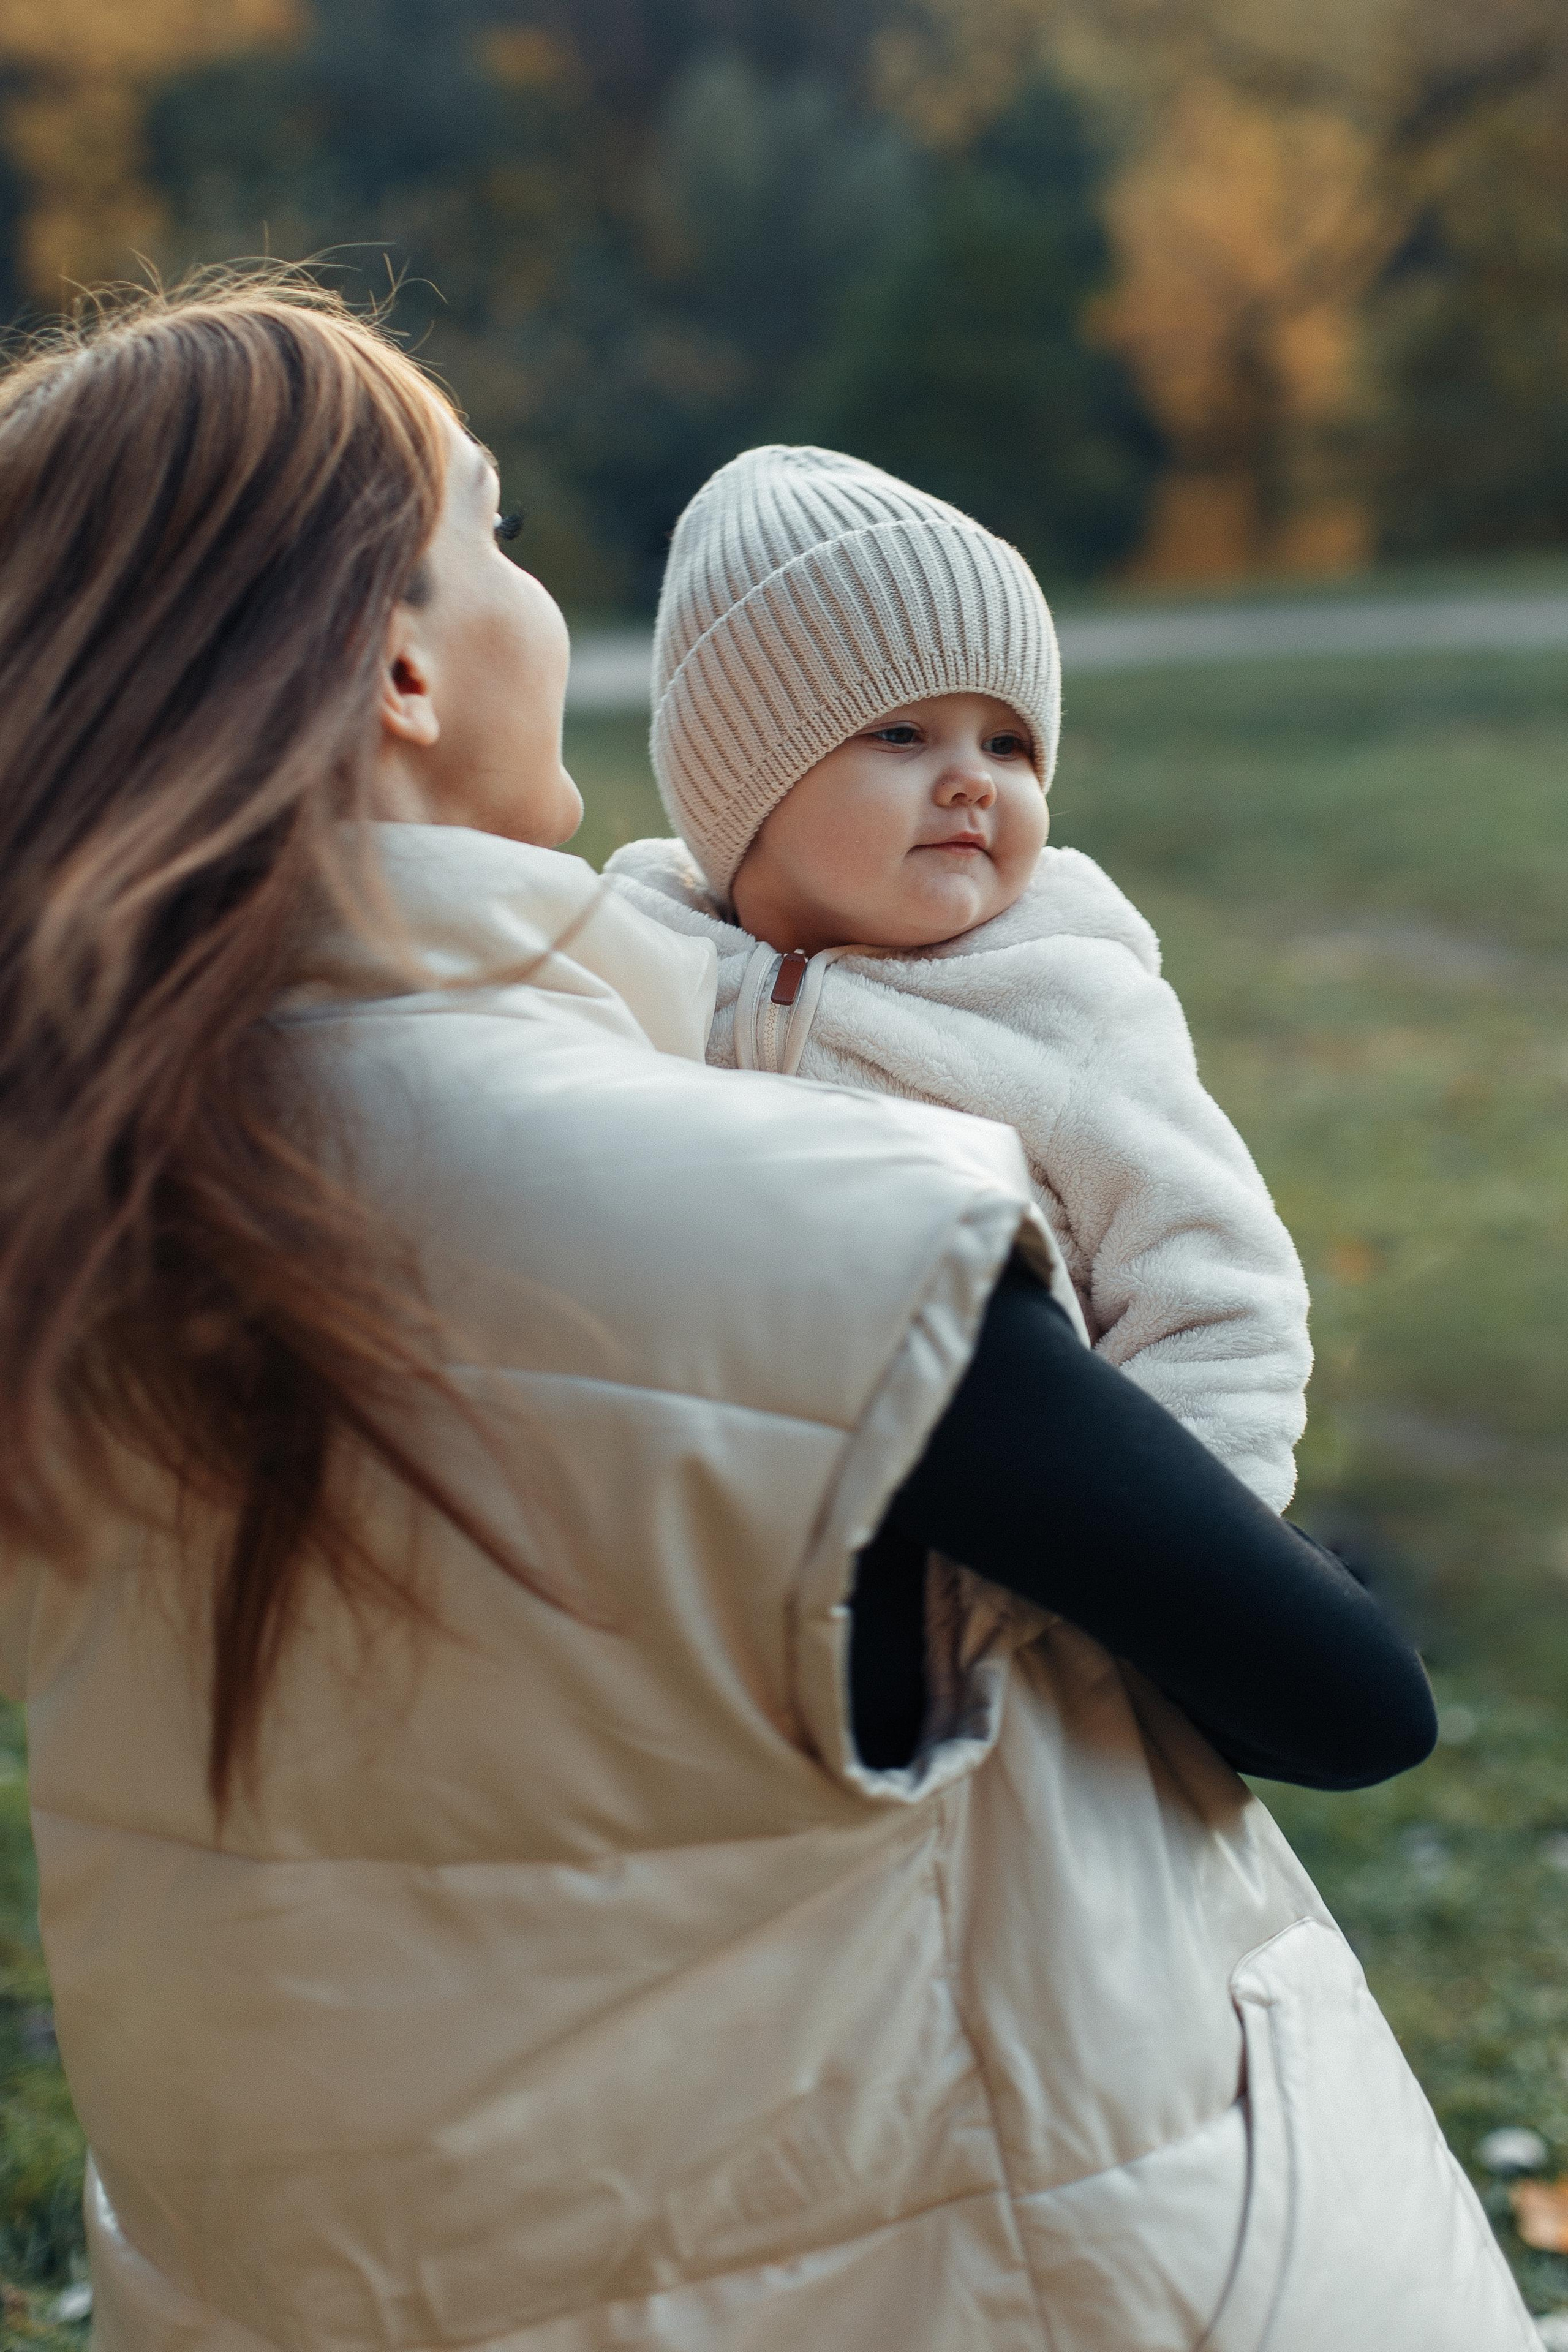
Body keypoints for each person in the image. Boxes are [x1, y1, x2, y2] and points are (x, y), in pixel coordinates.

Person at [0, 274, 1534, 2351]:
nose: (543, 603)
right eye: (501, 533)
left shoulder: (80, 1238)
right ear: (400, 674)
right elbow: (1347, 1709)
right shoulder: (810, 1233)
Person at [608, 444, 1312, 1513]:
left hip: (1019, 1579)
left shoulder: (1069, 1008)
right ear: (739, 785)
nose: (972, 783)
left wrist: (1168, 1583)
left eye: (1010, 744)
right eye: (900, 733)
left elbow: (1218, 1303)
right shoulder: (627, 966)